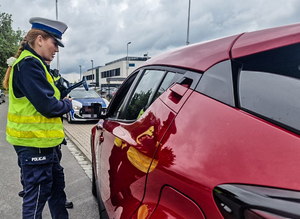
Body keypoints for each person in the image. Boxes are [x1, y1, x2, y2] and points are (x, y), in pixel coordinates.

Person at [3, 17, 72, 219]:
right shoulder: (29, 65)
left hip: (44, 144)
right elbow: (49, 106)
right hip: (35, 145)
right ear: (40, 39)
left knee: (57, 191)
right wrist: (67, 104)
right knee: (36, 200)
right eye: (55, 43)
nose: (57, 49)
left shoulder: (36, 64)